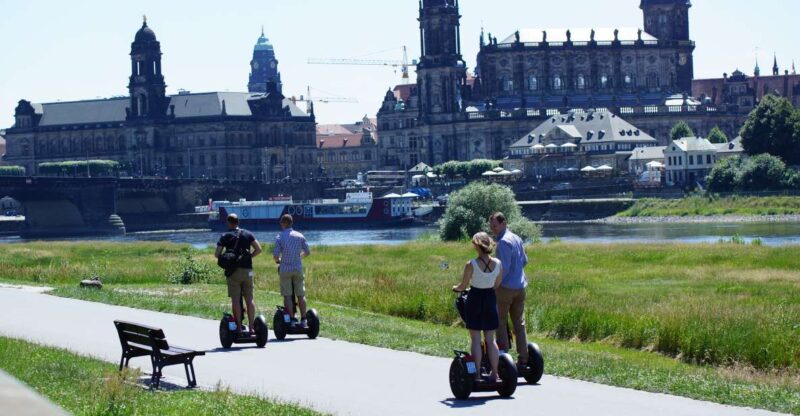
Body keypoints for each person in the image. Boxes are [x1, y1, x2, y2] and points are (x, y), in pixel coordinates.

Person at [452, 232, 503, 382]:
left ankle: (478, 375)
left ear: (476, 245)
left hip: (474, 299)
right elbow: (497, 284)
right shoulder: (498, 264)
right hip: (489, 299)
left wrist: (455, 287)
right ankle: (495, 373)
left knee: (475, 339)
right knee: (490, 339)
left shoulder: (471, 264)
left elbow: (463, 286)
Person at [489, 212, 529, 367]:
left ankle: (504, 358)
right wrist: (516, 272)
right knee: (519, 323)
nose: (493, 229)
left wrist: (494, 285)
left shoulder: (503, 242)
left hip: (506, 288)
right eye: (491, 225)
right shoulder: (516, 238)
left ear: (503, 223)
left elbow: (503, 269)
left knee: (500, 322)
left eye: (495, 225)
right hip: (520, 286)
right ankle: (524, 358)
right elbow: (525, 261)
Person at [215, 213, 262, 334]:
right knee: (249, 299)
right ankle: (252, 328)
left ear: (228, 222)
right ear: (238, 222)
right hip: (248, 271)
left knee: (236, 300)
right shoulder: (247, 233)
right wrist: (249, 257)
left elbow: (217, 254)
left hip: (233, 272)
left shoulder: (225, 235)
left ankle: (239, 327)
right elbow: (259, 249)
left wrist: (227, 258)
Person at [272, 214, 311, 327]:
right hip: (297, 268)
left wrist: (278, 260)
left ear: (284, 223)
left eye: (281, 223)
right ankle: (304, 319)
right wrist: (299, 257)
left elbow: (275, 255)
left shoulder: (280, 237)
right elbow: (307, 251)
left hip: (285, 268)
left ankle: (292, 319)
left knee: (287, 295)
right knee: (301, 294)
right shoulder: (299, 235)